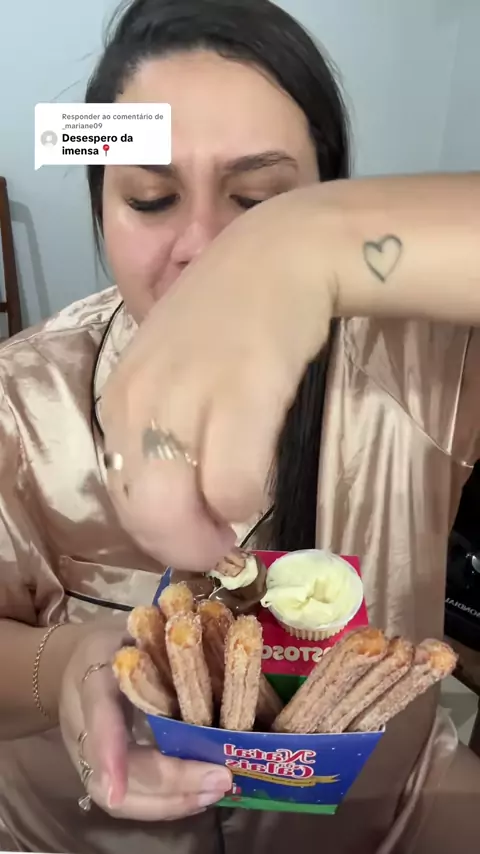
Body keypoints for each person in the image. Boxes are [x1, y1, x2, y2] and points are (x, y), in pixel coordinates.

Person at [0, 0, 478, 851]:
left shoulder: (420, 365)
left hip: (375, 827)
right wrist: (63, 666)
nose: (207, 249)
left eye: (258, 199)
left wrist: (307, 246)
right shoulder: (23, 396)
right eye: (152, 198)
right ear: (102, 207)